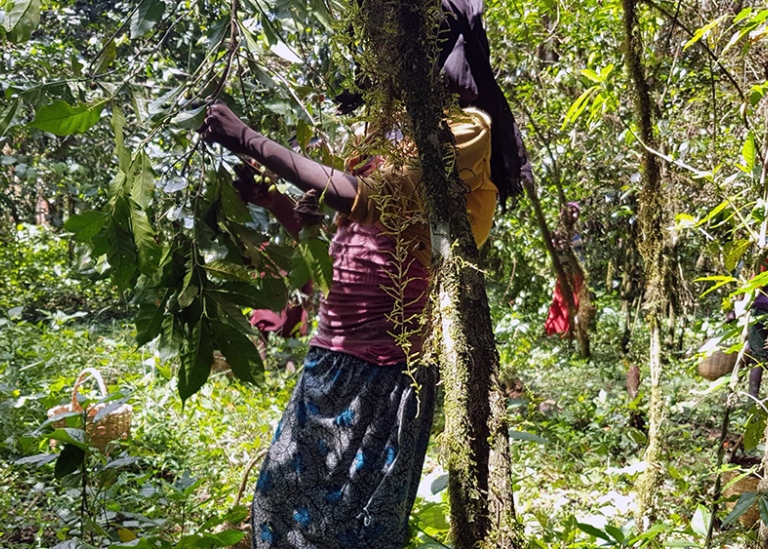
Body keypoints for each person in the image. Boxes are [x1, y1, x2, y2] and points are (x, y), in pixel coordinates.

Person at [198, 3, 531, 547]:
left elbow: (363, 198)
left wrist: (251, 140)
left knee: (356, 528)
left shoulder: (467, 130)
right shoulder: (382, 129)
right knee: (279, 509)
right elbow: (340, 225)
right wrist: (271, 197)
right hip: (332, 352)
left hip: (387, 366)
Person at [545, 201, 585, 336]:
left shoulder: (575, 234)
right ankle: (557, 331)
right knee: (560, 302)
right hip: (564, 273)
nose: (573, 216)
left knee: (574, 302)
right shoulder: (556, 235)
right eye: (571, 213)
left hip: (576, 274)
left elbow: (580, 256)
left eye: (575, 213)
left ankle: (571, 331)